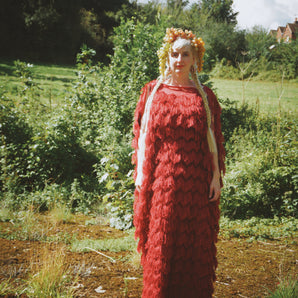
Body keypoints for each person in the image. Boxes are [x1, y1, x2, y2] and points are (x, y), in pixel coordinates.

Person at [131, 28, 225, 298]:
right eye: (175, 54)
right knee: (161, 239)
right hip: (163, 180)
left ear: (196, 59)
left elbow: (212, 140)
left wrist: (215, 177)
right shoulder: (153, 91)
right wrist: (141, 174)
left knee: (193, 242)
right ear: (166, 57)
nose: (179, 59)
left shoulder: (204, 96)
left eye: (186, 54)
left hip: (196, 181)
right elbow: (143, 134)